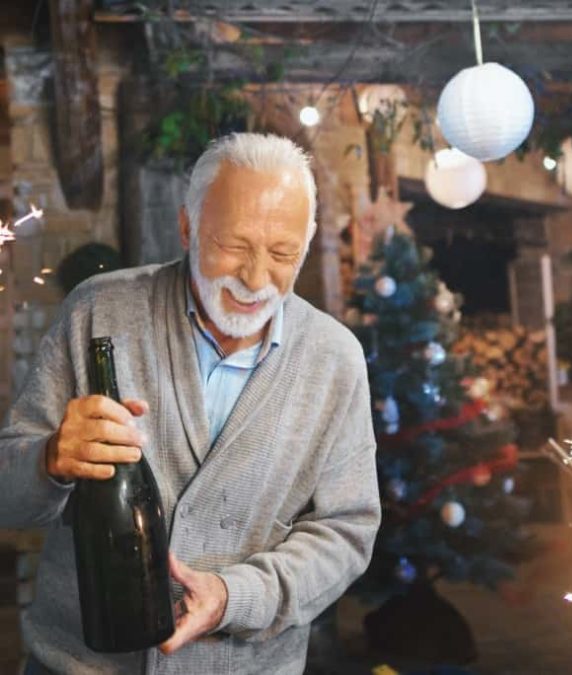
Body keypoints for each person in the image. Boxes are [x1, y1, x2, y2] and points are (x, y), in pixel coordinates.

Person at [0, 132, 381, 673]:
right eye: (233, 245)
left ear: (308, 242)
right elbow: (6, 497)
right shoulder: (96, 313)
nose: (254, 279)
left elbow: (346, 533)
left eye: (282, 254)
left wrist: (235, 597)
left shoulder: (336, 359)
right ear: (186, 227)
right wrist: (49, 460)